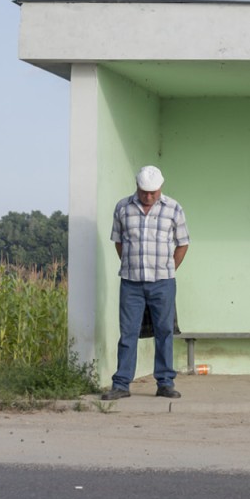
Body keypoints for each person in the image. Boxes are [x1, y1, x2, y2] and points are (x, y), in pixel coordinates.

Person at [101, 166, 190, 400]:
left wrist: (169, 269)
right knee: (128, 333)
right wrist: (132, 264)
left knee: (164, 332)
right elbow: (119, 242)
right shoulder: (123, 207)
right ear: (137, 186)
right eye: (144, 192)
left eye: (153, 192)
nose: (148, 196)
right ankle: (121, 384)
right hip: (131, 283)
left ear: (160, 188)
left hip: (163, 282)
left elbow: (183, 243)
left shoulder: (173, 208)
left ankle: (165, 383)